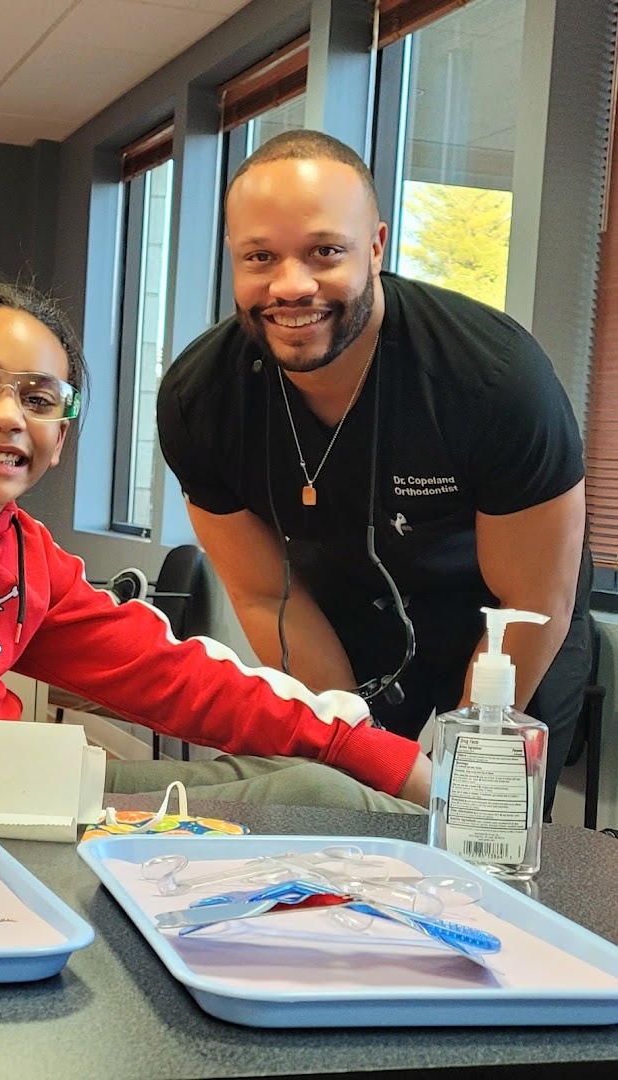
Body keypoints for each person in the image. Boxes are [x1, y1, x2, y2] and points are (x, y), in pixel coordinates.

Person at [0, 281, 430, 812]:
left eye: (39, 400)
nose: (7, 416)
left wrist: (372, 751)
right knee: (317, 798)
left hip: (5, 783)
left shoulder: (23, 552)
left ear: (60, 438)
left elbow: (173, 675)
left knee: (315, 774)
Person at [156, 130, 591, 814]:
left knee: (480, 826)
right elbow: (267, 596)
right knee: (334, 804)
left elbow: (531, 603)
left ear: (378, 246)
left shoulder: (495, 379)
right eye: (260, 257)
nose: (292, 285)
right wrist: (355, 752)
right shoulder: (200, 402)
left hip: (510, 633)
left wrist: (452, 780)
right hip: (338, 618)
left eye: (325, 251)